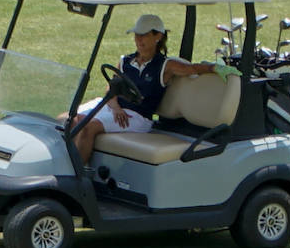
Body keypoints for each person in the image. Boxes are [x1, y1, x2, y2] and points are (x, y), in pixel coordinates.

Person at [65, 13, 234, 165]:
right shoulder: (125, 61)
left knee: (88, 127)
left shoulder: (164, 65)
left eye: (144, 35)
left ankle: (75, 175)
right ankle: (67, 165)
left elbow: (193, 69)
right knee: (66, 119)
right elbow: (111, 88)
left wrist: (216, 68)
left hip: (137, 117)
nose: (139, 40)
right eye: (137, 35)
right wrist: (115, 108)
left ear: (158, 36)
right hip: (115, 109)